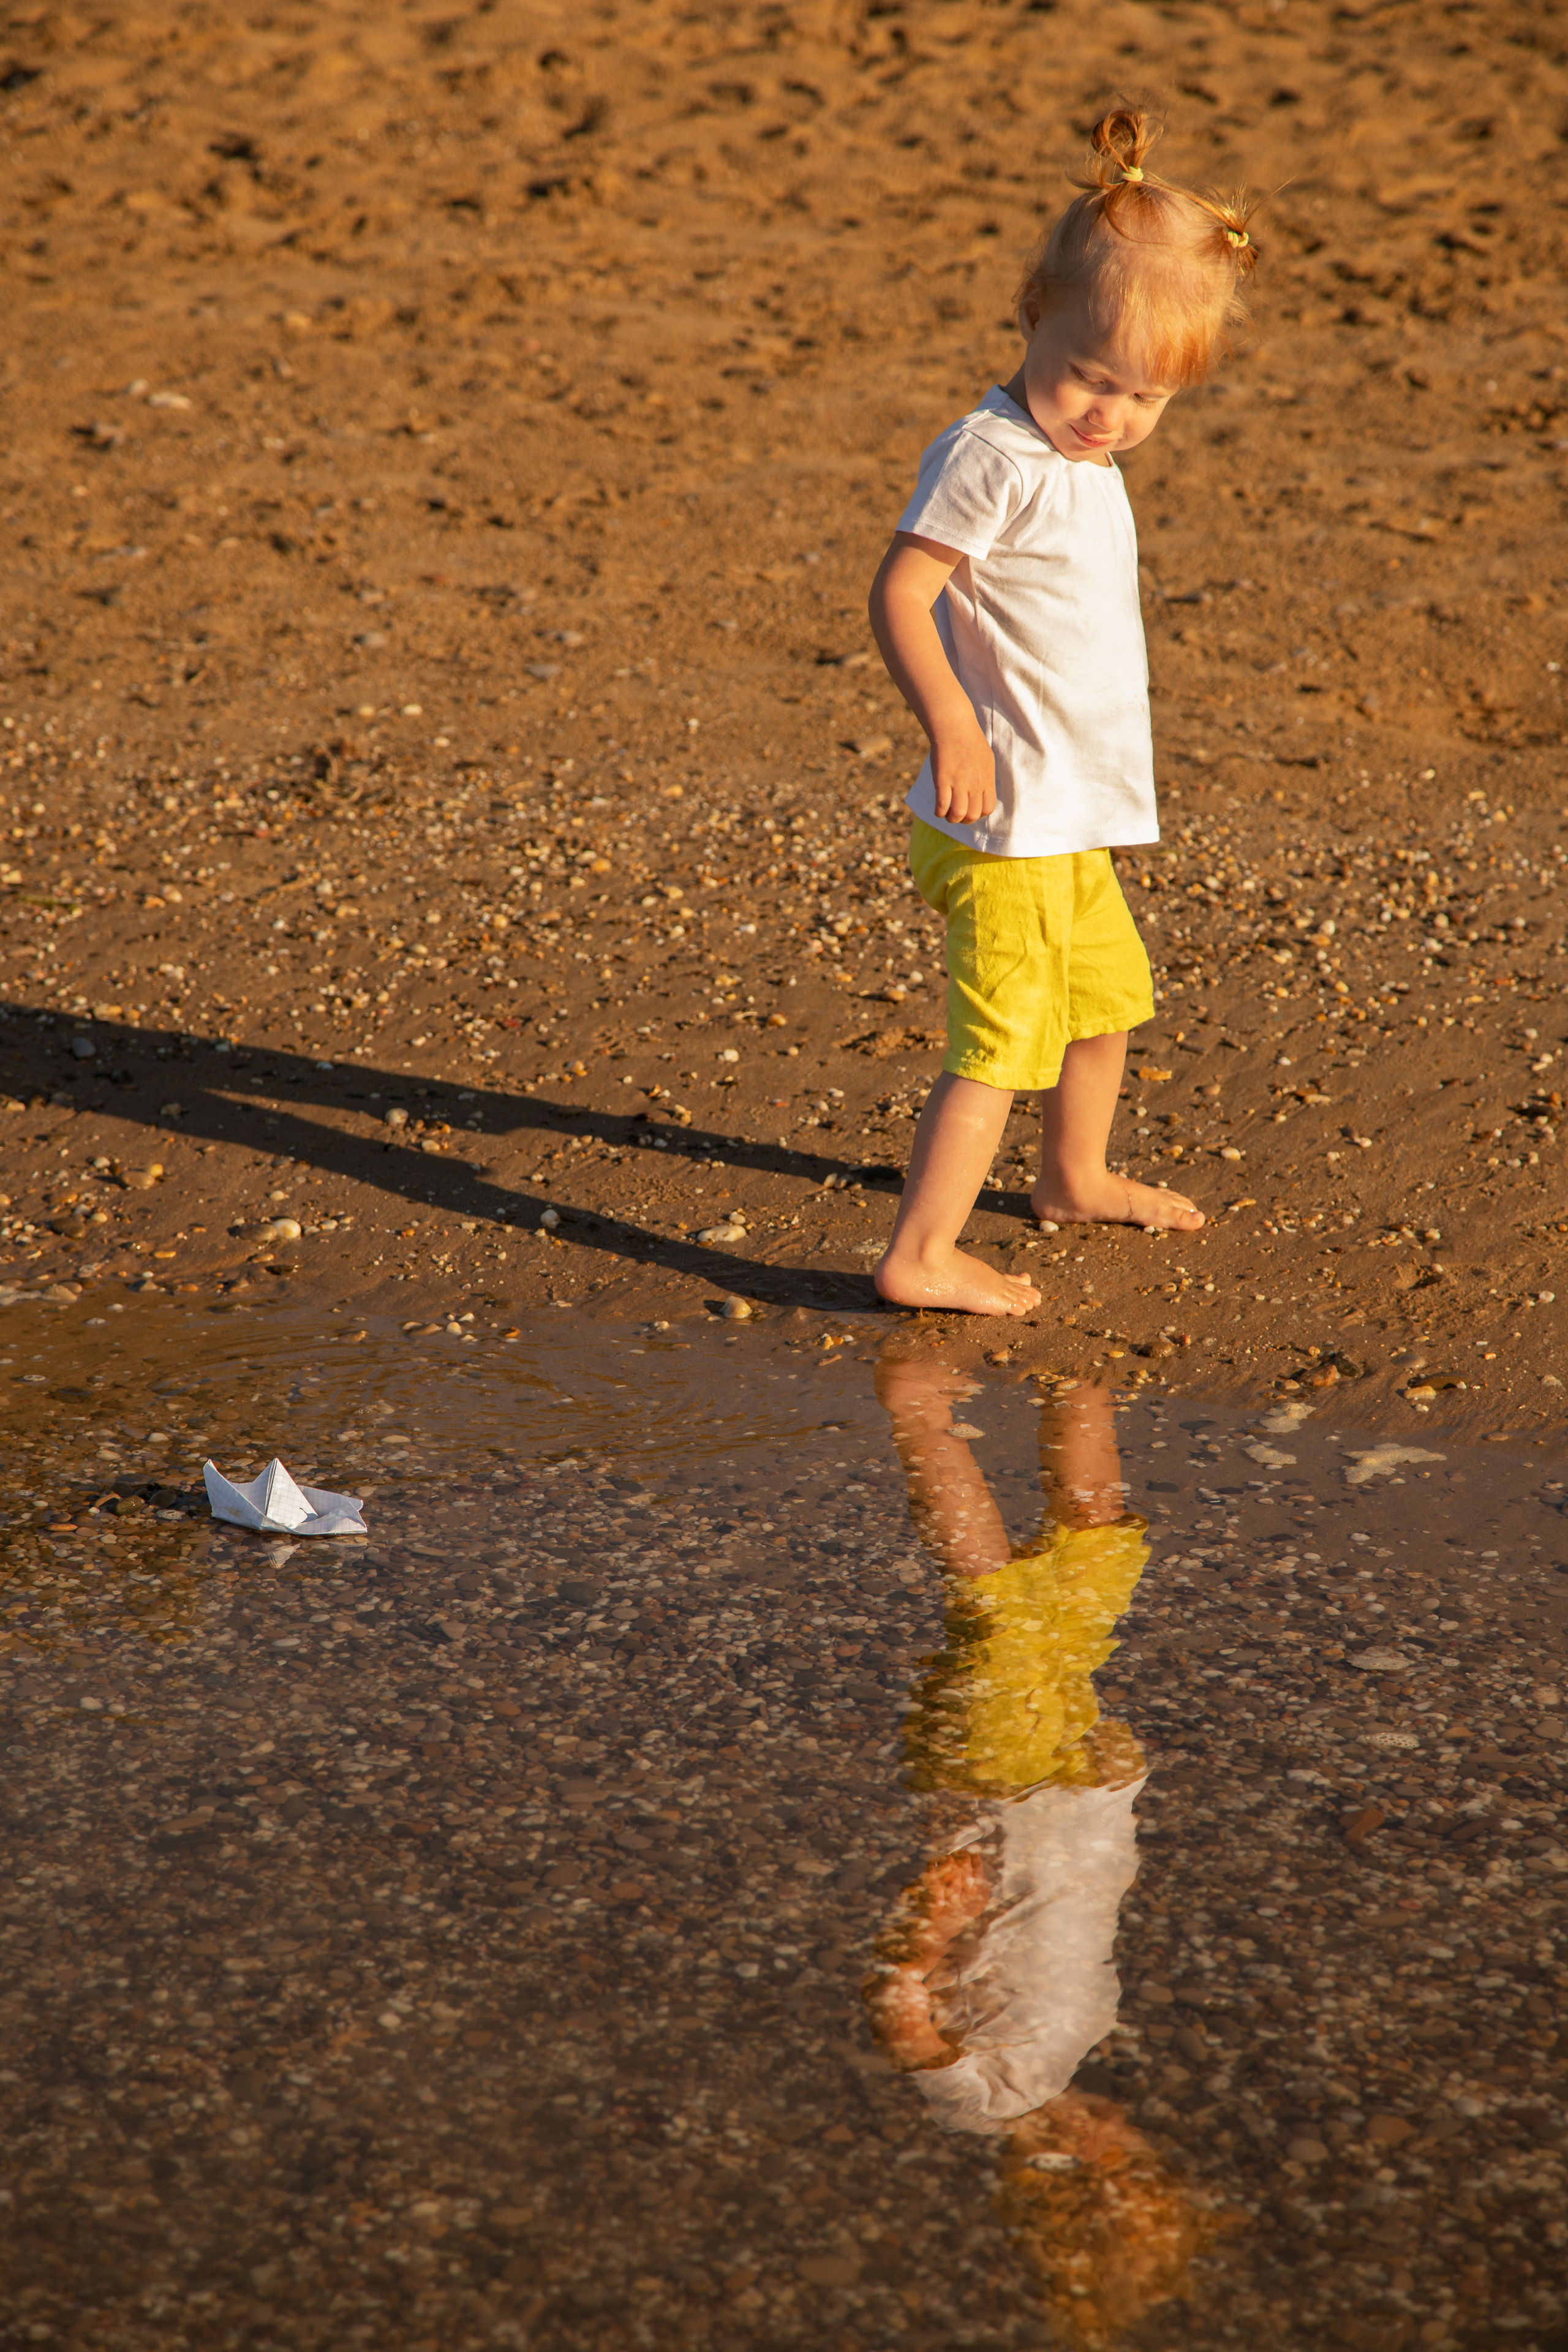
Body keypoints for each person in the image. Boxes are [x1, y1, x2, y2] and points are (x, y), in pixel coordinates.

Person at [867, 108, 1261, 1317]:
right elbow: (902, 589)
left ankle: (1071, 1175)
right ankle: (919, 1254)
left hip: (1064, 815)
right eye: (1089, 379)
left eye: (1144, 398)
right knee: (1000, 1042)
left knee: (1105, 1000)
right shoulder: (989, 453)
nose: (1109, 417)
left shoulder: (1079, 456)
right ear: (1031, 317)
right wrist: (950, 726)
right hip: (1002, 820)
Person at [864, 1356, 1229, 2343]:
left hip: (993, 1784)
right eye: (1150, 2163)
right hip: (1066, 1781)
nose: (1135, 2145)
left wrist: (929, 1932)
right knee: (1099, 1560)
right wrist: (1114, 1791)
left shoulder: (983, 2106)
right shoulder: (1076, 2049)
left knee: (993, 1603)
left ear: (1085, 2184)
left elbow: (897, 2014)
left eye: (1137, 2171)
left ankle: (918, 1408)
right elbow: (1080, 1905)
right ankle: (1082, 1384)